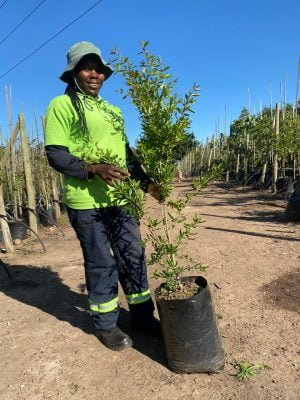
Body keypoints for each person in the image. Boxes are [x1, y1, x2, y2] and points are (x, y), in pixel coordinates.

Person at [44, 41, 161, 351]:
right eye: (87, 67)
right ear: (73, 73)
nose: (94, 73)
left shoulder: (113, 110)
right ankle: (106, 325)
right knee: (101, 263)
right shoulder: (62, 105)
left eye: (98, 68)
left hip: (120, 199)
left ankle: (143, 317)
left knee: (133, 258)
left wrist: (146, 183)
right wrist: (92, 168)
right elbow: (55, 154)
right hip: (86, 202)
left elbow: (125, 153)